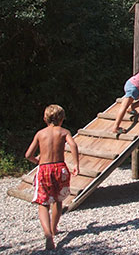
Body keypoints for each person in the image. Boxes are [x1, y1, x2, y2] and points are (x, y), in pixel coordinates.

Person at [25, 104, 80, 250]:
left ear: (45, 118)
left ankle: (48, 234)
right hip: (60, 168)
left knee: (43, 203)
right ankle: (54, 228)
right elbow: (73, 145)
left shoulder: (40, 134)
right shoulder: (64, 132)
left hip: (44, 168)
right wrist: (76, 164)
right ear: (62, 119)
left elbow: (28, 155)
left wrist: (38, 161)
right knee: (58, 200)